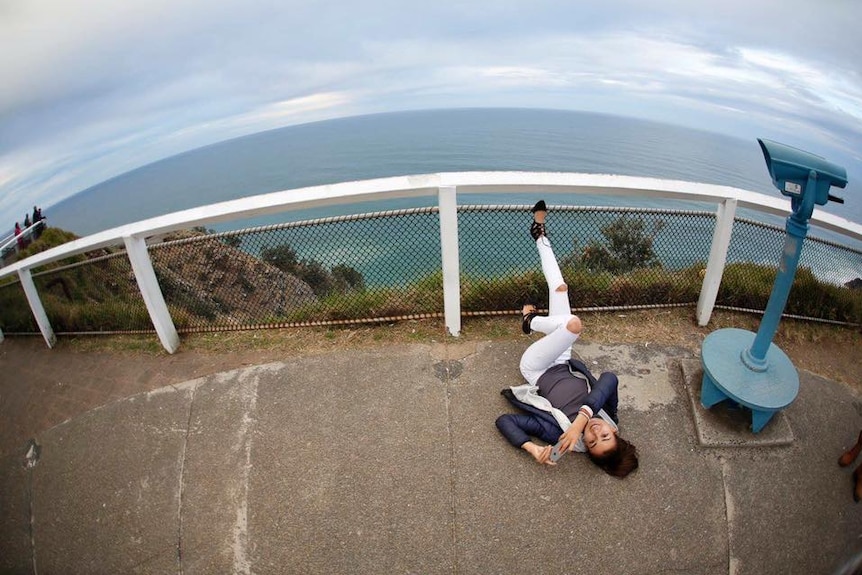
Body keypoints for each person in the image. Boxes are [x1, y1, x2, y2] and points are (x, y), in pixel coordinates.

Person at [495, 200, 639, 478]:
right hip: (562, 359)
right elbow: (609, 379)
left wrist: (532, 448)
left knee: (573, 325)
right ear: (615, 431)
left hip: (537, 368)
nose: (595, 433)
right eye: (605, 436)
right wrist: (583, 418)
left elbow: (505, 420)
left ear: (584, 447)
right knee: (560, 289)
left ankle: (531, 322)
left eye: (592, 443)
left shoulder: (556, 432)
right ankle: (539, 233)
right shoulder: (607, 414)